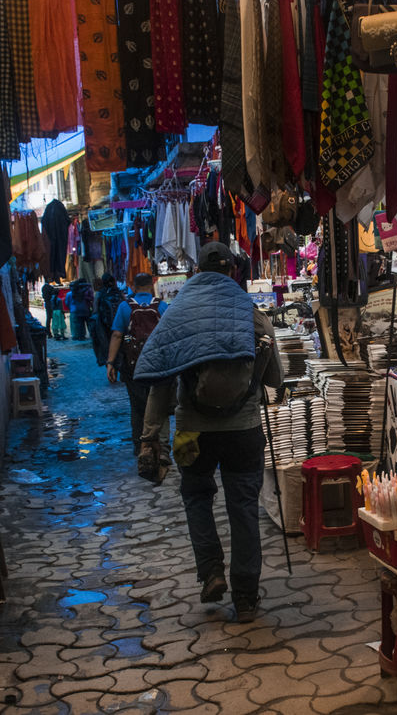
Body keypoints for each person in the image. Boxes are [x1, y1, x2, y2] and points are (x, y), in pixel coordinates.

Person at [134, 242, 282, 623]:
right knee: (244, 506)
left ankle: (211, 572)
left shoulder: (178, 314)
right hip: (244, 431)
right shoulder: (251, 314)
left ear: (196, 271)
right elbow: (275, 378)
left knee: (196, 497)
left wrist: (152, 437)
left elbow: (161, 380)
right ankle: (247, 598)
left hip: (191, 433)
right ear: (233, 272)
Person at [106, 273, 170, 463]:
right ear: (152, 285)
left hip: (133, 366)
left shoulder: (125, 307)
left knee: (137, 407)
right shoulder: (162, 306)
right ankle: (164, 448)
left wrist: (111, 362)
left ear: (133, 286)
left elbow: (118, 335)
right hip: (159, 366)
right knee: (161, 406)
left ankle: (140, 446)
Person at [92, 273, 126, 367]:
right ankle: (121, 366)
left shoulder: (99, 294)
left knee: (106, 346)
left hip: (105, 325)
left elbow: (95, 311)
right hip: (120, 324)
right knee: (121, 345)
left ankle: (110, 367)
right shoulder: (119, 293)